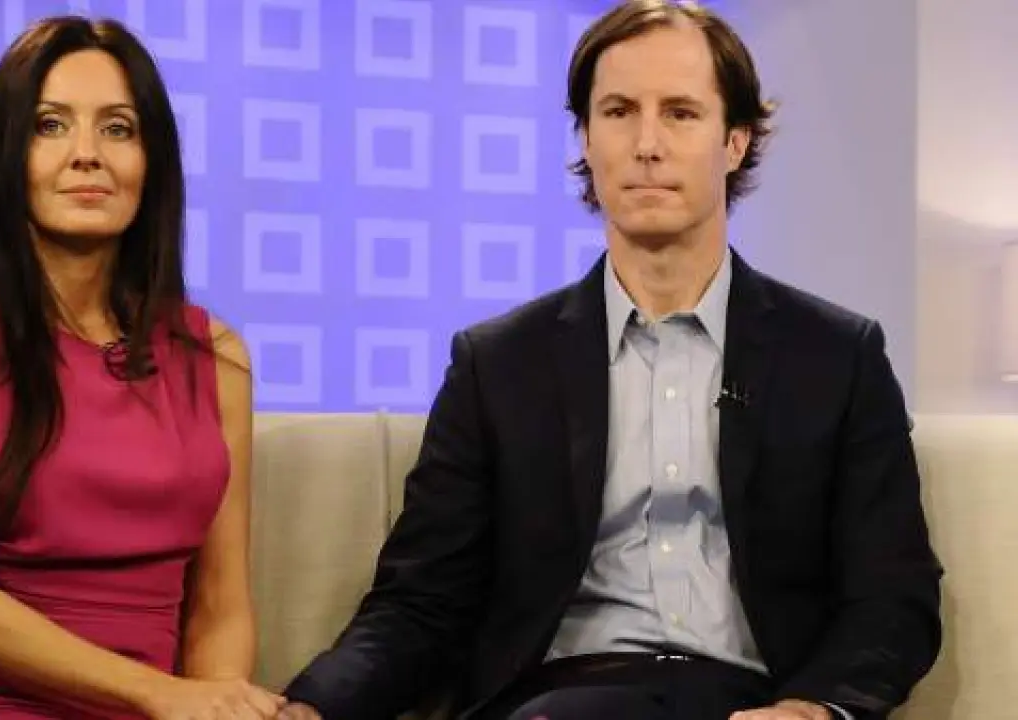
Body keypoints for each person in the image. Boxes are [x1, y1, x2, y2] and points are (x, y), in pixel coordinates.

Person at [276, 2, 942, 719]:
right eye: (619, 112)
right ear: (587, 141)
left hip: (753, 702)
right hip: (558, 699)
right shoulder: (497, 367)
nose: (647, 144)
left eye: (680, 113)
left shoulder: (837, 358)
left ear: (735, 141)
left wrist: (814, 708)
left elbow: (892, 598)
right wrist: (309, 708)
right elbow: (419, 604)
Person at [0, 16, 285, 720]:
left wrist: (214, 706)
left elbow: (219, 604)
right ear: (6, 155)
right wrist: (164, 696)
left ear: (152, 162)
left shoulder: (215, 356)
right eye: (50, 126)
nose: (87, 155)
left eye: (118, 128)